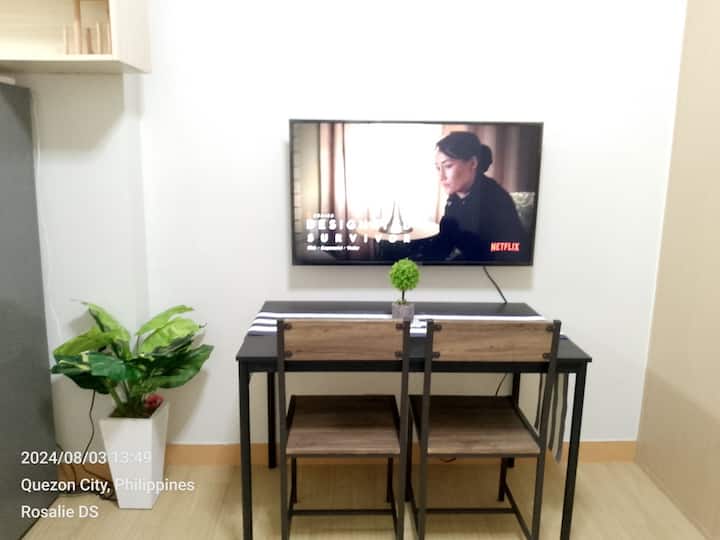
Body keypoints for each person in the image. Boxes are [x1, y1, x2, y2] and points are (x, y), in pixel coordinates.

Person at [411, 131, 529, 262]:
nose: (441, 177)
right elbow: (445, 242)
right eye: (438, 168)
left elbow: (502, 251)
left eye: (448, 166)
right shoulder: (455, 198)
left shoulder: (496, 199)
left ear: (473, 163)